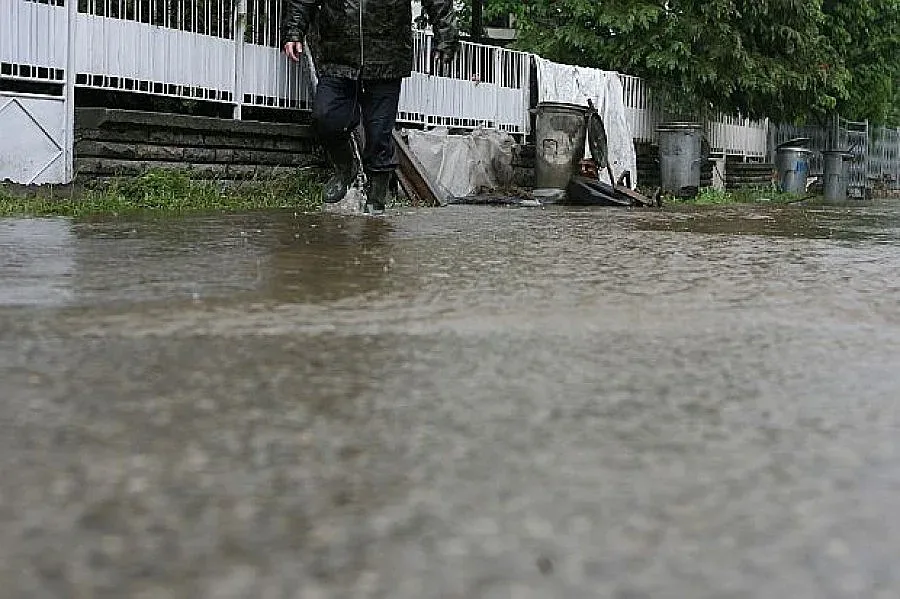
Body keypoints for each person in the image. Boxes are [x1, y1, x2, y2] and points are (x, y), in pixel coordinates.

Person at [282, 0, 459, 214]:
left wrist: (446, 36)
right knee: (326, 117)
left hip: (387, 52)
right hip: (338, 51)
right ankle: (344, 167)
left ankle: (377, 198)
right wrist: (293, 31)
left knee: (379, 133)